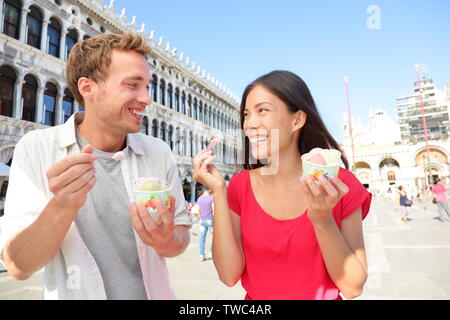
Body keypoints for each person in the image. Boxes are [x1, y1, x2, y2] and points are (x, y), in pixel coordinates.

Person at [0, 33, 191, 299]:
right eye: (133, 85)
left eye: (147, 86)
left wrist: (166, 239)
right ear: (87, 87)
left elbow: (180, 238)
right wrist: (62, 206)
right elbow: (18, 265)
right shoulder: (36, 149)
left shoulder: (158, 152)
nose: (147, 99)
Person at [193, 70, 372, 300]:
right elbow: (228, 275)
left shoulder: (340, 184)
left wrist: (322, 220)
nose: (250, 124)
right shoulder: (240, 186)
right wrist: (219, 191)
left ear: (297, 120)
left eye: (263, 111)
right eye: (247, 114)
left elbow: (353, 287)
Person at [197, 189, 214, 261]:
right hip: (210, 220)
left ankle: (201, 255)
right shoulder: (212, 198)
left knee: (202, 237)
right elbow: (214, 210)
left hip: (202, 220)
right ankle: (210, 252)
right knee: (214, 237)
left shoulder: (199, 198)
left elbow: (199, 210)